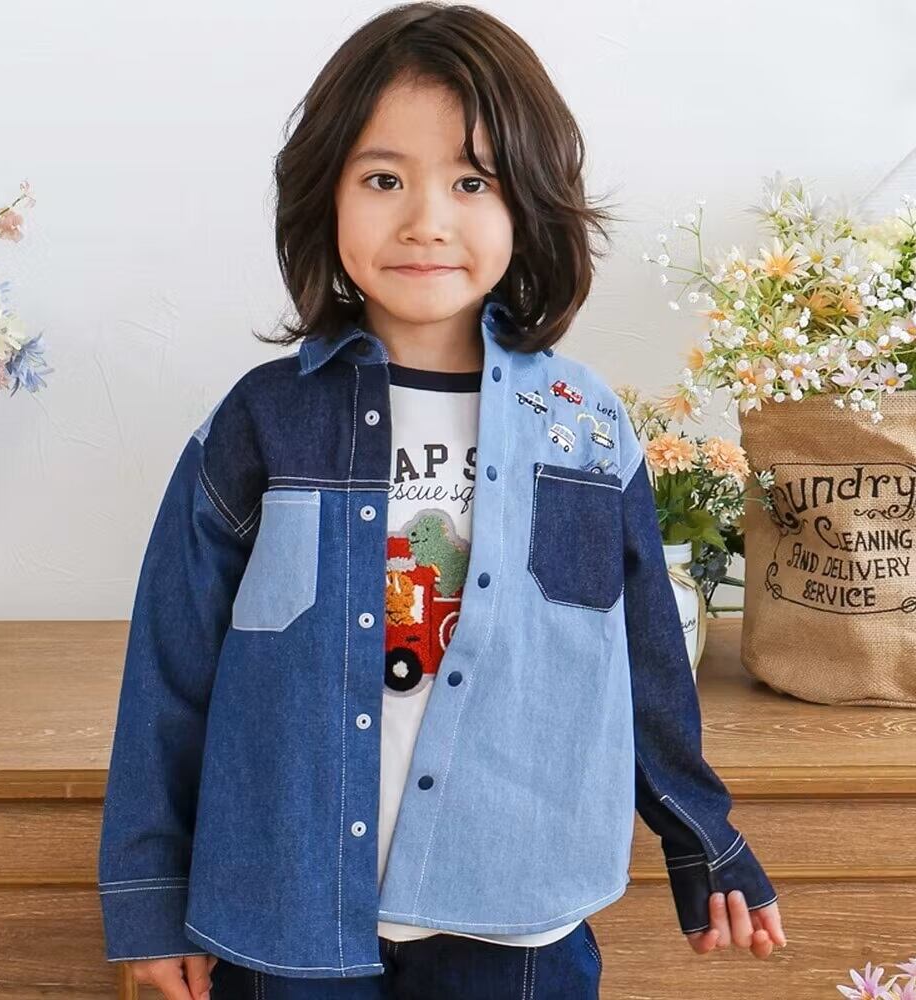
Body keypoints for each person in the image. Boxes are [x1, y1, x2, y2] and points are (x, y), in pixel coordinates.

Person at [97, 3, 787, 998]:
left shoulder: (582, 429)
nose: (425, 219)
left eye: (472, 181)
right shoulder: (261, 423)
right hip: (289, 911)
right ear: (325, 196)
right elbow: (169, 670)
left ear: (530, 205)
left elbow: (636, 662)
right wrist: (150, 895)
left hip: (517, 911)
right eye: (383, 179)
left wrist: (702, 839)